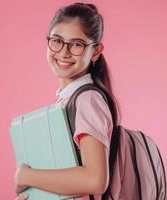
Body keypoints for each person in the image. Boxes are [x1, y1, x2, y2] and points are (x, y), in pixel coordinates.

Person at [14, 2, 121, 200]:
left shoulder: (87, 100)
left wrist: (26, 176)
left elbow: (95, 180)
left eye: (77, 45)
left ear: (96, 51)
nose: (64, 52)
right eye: (57, 41)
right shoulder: (69, 100)